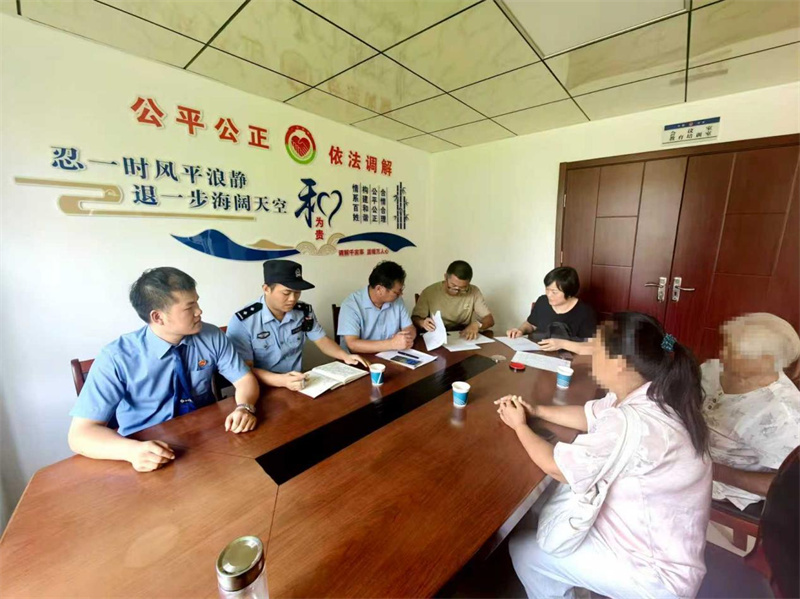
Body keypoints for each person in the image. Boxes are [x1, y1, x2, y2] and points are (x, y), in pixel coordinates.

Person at [497, 312, 710, 599]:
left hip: (654, 572)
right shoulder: (657, 392)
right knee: (542, 509)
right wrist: (536, 411)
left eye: (595, 348)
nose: (588, 353)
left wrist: (520, 426)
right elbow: (591, 415)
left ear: (619, 363)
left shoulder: (632, 421)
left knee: (526, 551)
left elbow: (556, 466)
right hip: (661, 541)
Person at [68, 267, 260, 472]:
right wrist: (131, 451)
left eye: (197, 302)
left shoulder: (211, 335)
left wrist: (244, 407)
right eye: (190, 307)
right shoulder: (117, 358)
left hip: (211, 438)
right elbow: (80, 435)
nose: (199, 311)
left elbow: (244, 380)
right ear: (158, 317)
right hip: (150, 451)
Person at [702, 313, 800, 510]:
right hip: (688, 458)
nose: (723, 353)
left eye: (736, 351)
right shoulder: (713, 370)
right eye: (727, 344)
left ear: (767, 361)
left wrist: (715, 471)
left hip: (722, 487)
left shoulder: (783, 416)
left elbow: (788, 485)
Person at [227, 260, 369, 391]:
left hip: (298, 382)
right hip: (259, 388)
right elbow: (244, 369)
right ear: (266, 289)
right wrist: (281, 380)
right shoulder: (244, 321)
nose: (292, 299)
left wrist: (345, 356)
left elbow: (321, 340)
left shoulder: (303, 311)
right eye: (286, 293)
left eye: (297, 293)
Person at [507, 267, 596, 355]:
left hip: (567, 359)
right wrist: (520, 330)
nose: (549, 295)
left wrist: (562, 344)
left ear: (569, 293)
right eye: (547, 289)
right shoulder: (542, 301)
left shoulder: (585, 311)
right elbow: (531, 324)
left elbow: (593, 347)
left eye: (554, 292)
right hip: (538, 354)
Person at [338, 261, 416, 353]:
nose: (400, 294)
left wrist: (406, 339)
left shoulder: (397, 300)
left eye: (401, 290)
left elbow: (409, 327)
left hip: (390, 355)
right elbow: (352, 344)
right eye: (396, 292)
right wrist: (391, 344)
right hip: (358, 358)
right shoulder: (351, 305)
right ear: (379, 289)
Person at [411, 260, 495, 340]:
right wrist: (422, 323)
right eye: (453, 285)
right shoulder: (430, 292)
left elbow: (489, 319)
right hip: (436, 334)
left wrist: (477, 325)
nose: (456, 290)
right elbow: (415, 319)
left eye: (462, 288)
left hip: (461, 334)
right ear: (445, 277)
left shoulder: (473, 291)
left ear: (468, 283)